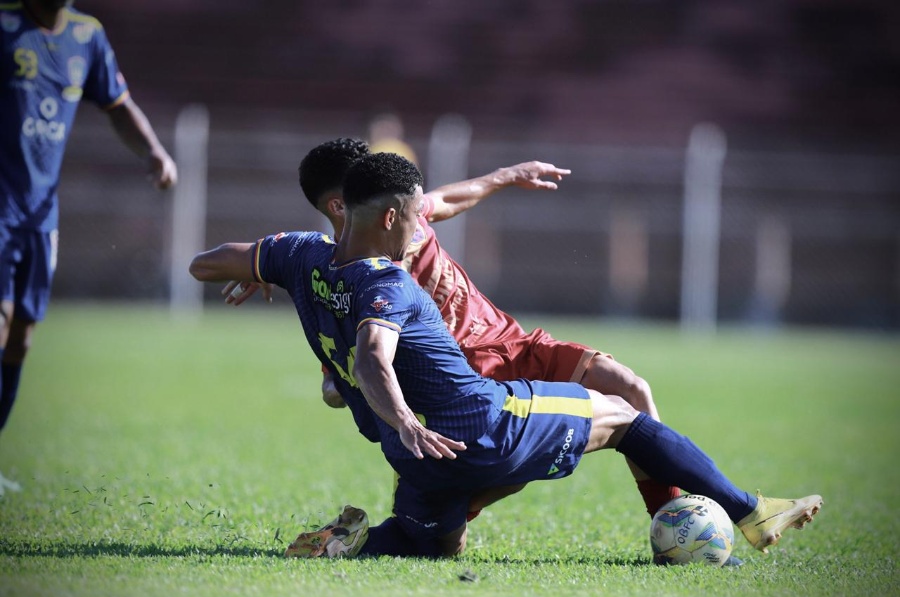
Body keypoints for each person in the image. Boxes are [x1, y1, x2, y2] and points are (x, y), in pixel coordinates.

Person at [190, 152, 823, 560]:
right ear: (374, 213)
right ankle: (745, 511)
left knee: (430, 544)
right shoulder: (383, 282)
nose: (425, 220)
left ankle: (347, 543)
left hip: (463, 398)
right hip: (472, 398)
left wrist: (265, 270)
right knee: (620, 418)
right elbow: (367, 360)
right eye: (413, 214)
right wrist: (392, 409)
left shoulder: (302, 255)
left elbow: (207, 263)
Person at [228, 138, 680, 530]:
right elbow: (343, 378)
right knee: (506, 475)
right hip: (468, 375)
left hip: (512, 340)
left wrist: (507, 175)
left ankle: (676, 523)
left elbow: (444, 201)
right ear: (342, 205)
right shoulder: (346, 275)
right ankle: (428, 518)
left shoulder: (401, 209)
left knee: (631, 388)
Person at [0, 0, 177, 494]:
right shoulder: (5, 26)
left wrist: (155, 152)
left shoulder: (87, 35)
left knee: (21, 337)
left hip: (39, 213)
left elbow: (117, 105)